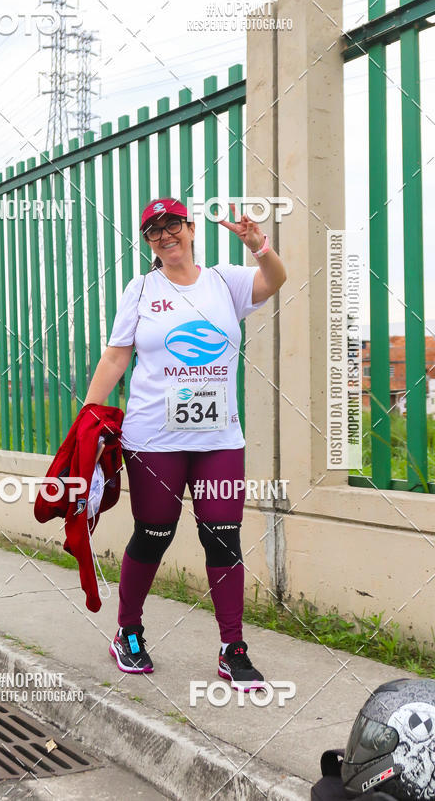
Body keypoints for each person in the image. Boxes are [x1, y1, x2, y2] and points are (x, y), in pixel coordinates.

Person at [83, 197, 286, 688]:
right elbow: (116, 358)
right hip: (154, 438)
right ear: (148, 242)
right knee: (154, 532)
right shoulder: (140, 290)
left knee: (223, 535)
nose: (165, 235)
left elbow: (275, 280)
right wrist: (88, 417)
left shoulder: (224, 281)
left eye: (172, 224)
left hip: (219, 438)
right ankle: (128, 631)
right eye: (154, 230)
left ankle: (232, 648)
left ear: (190, 228)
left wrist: (258, 245)